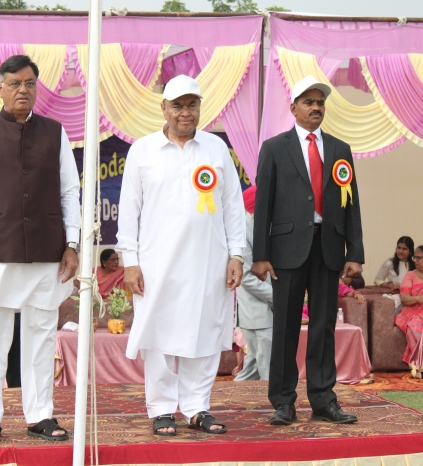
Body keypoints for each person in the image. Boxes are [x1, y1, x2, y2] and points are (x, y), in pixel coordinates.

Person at [0, 55, 80, 444]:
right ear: (0, 88)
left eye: (29, 83)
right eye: (15, 83)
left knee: (41, 337)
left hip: (45, 251)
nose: (23, 90)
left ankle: (40, 415)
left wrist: (72, 244)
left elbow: (70, 192)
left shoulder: (55, 133)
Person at [117, 74, 245, 436]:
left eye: (192, 104)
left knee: (204, 333)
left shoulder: (216, 149)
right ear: (164, 108)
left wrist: (236, 254)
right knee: (158, 335)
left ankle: (196, 407)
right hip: (156, 263)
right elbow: (129, 211)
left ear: (200, 107)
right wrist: (130, 262)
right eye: (177, 105)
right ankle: (161, 409)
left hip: (208, 261)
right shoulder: (142, 150)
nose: (185, 112)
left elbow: (233, 206)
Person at [252, 75, 364, 426]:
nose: (316, 107)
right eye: (308, 102)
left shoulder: (340, 149)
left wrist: (355, 252)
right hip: (286, 250)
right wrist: (260, 254)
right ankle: (283, 401)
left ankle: (323, 399)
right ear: (294, 108)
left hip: (328, 247)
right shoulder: (275, 147)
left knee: (323, 326)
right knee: (285, 326)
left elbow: (351, 204)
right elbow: (263, 204)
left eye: (320, 102)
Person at [235, 186, 273, 382]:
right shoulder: (243, 230)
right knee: (269, 371)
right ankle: (274, 401)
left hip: (261, 314)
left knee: (252, 371)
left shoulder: (257, 226)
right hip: (257, 314)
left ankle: (229, 398)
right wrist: (278, 296)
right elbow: (246, 277)